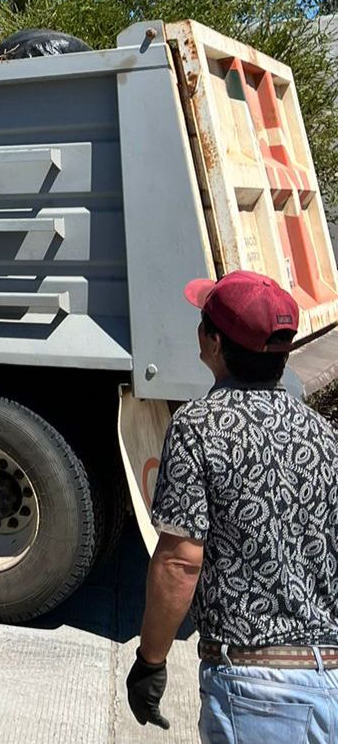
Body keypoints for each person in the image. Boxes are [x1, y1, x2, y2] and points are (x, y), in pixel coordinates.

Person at [126, 269, 338, 740]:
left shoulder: (199, 426)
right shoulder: (324, 435)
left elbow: (181, 561)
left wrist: (150, 661)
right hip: (329, 678)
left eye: (203, 322)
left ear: (215, 343)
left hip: (257, 693)